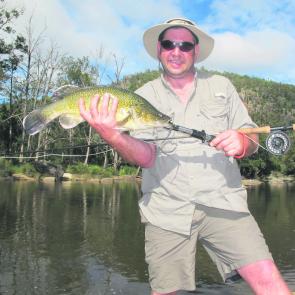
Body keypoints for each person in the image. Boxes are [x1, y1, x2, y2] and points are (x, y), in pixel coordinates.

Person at [79, 18, 292, 295]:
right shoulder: (142, 96)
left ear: (195, 50)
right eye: (169, 44)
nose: (176, 51)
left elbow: (252, 137)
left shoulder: (222, 86)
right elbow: (146, 157)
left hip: (224, 201)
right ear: (159, 49)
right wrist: (113, 135)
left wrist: (242, 142)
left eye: (185, 45)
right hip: (166, 209)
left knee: (269, 282)